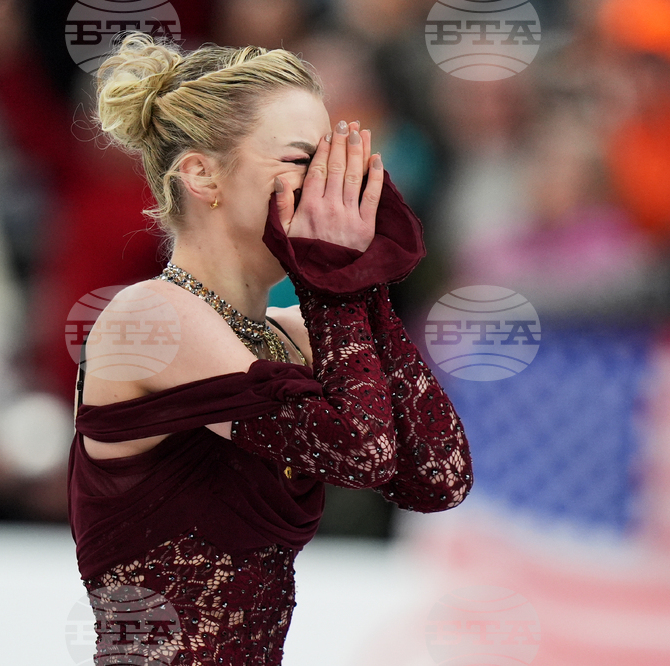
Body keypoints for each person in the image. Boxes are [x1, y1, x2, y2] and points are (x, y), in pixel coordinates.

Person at [67, 32, 472, 664]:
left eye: (336, 163)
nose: (328, 188)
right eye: (302, 162)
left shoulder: (292, 331)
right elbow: (360, 454)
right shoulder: (149, 317)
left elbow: (438, 479)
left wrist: (357, 281)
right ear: (201, 174)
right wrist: (334, 282)